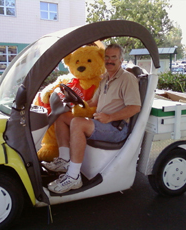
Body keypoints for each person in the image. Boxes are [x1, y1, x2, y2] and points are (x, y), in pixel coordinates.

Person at [42, 44, 141, 194]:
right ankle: (64, 160)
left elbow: (135, 107)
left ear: (121, 60)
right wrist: (74, 103)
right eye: (107, 57)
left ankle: (74, 176)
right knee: (62, 116)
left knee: (77, 123)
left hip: (116, 128)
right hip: (101, 122)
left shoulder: (127, 79)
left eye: (113, 57)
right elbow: (93, 103)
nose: (109, 60)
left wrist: (110, 117)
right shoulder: (105, 78)